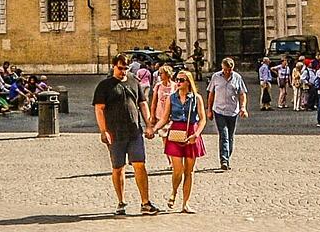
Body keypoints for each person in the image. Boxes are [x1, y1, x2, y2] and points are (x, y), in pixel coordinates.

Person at [93, 55, 157, 217]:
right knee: (118, 168)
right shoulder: (104, 86)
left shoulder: (134, 82)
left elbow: (142, 104)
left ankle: (145, 202)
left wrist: (148, 124)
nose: (123, 71)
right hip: (115, 134)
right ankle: (121, 202)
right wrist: (103, 130)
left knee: (140, 165)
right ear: (114, 66)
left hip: (134, 131)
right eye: (120, 68)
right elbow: (99, 109)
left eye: (126, 68)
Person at [157, 70, 207, 212]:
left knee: (189, 171)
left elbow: (202, 119)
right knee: (177, 170)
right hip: (176, 133)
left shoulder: (196, 98)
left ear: (188, 82)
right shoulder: (171, 98)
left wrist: (197, 134)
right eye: (177, 79)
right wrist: (153, 128)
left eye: (181, 80)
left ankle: (185, 203)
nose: (178, 82)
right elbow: (164, 118)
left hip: (191, 132)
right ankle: (174, 191)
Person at [208, 57, 248, 171]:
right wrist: (209, 110)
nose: (227, 72)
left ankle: (227, 156)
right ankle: (224, 160)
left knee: (230, 136)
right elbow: (211, 94)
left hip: (232, 111)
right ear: (222, 67)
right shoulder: (216, 77)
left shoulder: (237, 78)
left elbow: (242, 94)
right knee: (224, 135)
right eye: (225, 69)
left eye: (229, 70)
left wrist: (243, 107)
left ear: (232, 68)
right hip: (219, 110)